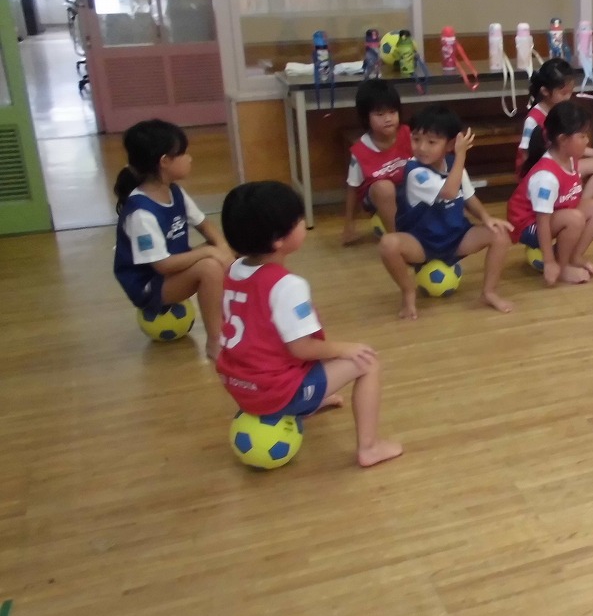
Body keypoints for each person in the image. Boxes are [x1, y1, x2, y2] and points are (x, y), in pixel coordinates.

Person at [217, 181, 403, 468]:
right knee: (367, 360)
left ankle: (313, 399)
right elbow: (302, 348)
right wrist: (345, 348)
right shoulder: (287, 285)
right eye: (299, 220)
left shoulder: (234, 270)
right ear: (278, 240)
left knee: (319, 347)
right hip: (273, 392)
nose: (303, 223)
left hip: (237, 384)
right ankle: (369, 447)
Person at [113, 119, 234, 360]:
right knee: (210, 267)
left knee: (235, 248)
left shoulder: (174, 191)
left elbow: (204, 224)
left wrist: (224, 249)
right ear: (165, 161)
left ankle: (240, 318)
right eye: (183, 153)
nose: (189, 158)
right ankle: (215, 341)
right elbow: (162, 265)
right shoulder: (141, 213)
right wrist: (209, 252)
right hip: (150, 286)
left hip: (174, 268)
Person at [379, 106, 514, 319]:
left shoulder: (455, 165)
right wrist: (461, 155)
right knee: (388, 244)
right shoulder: (415, 171)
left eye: (431, 142)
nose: (421, 148)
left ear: (450, 144)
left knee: (501, 235)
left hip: (456, 237)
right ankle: (408, 293)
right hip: (421, 243)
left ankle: (489, 292)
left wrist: (486, 218)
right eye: (416, 139)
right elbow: (449, 192)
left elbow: (468, 196)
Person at [506, 101, 593, 286]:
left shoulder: (570, 159)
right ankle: (562, 266)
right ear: (563, 140)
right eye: (582, 136)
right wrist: (549, 262)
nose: (587, 140)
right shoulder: (546, 177)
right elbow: (542, 221)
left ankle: (574, 257)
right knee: (574, 219)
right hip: (528, 224)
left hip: (553, 214)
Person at [516, 58, 593, 198]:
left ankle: (580, 204)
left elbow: (571, 142)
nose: (568, 97)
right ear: (545, 91)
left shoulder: (562, 112)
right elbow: (526, 154)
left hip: (560, 163)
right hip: (541, 171)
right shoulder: (533, 120)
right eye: (563, 93)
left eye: (570, 92)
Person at [342, 79, 411, 245]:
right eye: (380, 114)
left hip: (407, 191)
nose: (388, 119)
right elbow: (353, 188)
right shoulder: (360, 150)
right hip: (378, 196)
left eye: (392, 112)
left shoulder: (408, 134)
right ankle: (398, 239)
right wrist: (349, 224)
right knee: (384, 187)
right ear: (366, 118)